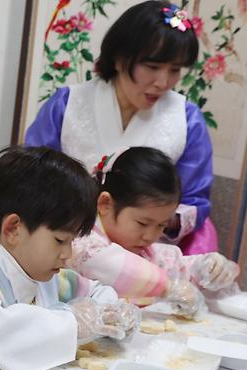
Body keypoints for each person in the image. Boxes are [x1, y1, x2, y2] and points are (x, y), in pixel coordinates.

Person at [26, 1, 216, 254]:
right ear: (119, 58)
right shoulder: (66, 105)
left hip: (146, 257)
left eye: (175, 70)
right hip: (66, 249)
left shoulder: (187, 120)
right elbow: (31, 178)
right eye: (152, 67)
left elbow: (194, 199)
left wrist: (151, 221)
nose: (163, 82)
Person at [0, 146, 140, 370]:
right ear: (13, 229)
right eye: (60, 240)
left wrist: (110, 313)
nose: (67, 254)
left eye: (71, 241)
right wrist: (73, 322)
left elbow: (96, 294)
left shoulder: (44, 275)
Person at [72, 146, 239, 316]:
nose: (150, 237)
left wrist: (206, 268)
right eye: (142, 223)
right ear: (105, 204)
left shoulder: (143, 250)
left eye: (162, 225)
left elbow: (174, 265)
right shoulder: (81, 238)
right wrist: (168, 287)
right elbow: (111, 265)